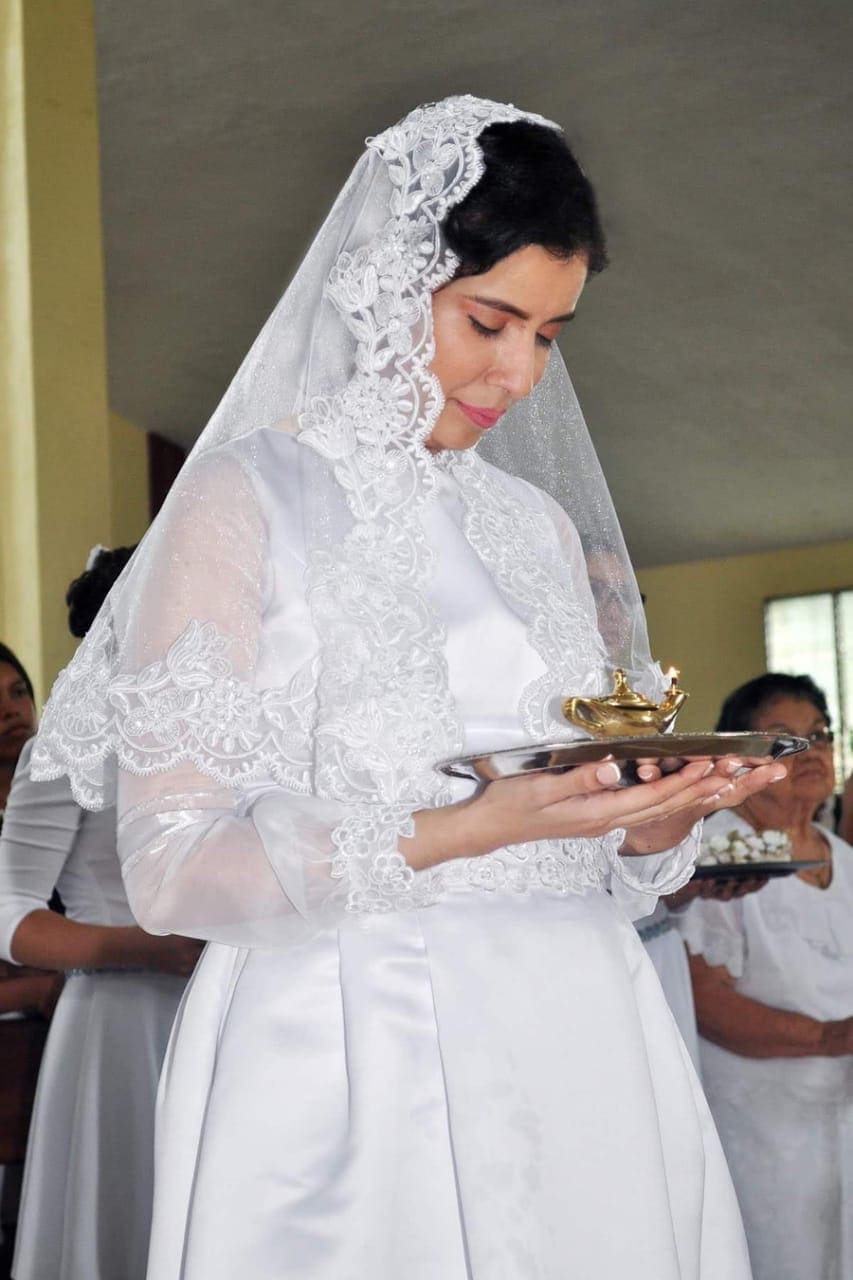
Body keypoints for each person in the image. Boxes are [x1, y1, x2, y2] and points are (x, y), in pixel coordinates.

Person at [30, 97, 787, 1279]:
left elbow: (581, 823)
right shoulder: (244, 498)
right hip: (353, 1035)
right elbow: (171, 869)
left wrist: (659, 813)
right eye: (489, 320)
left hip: (580, 1020)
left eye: (549, 334)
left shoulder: (530, 523)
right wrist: (466, 826)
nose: (518, 372)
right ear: (387, 281)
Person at [0, 548, 202, 1280]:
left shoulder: (227, 737)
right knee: (131, 1211)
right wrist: (146, 948)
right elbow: (12, 913)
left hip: (221, 1006)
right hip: (122, 1015)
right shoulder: (69, 745)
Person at [676, 673, 853, 1280]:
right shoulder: (717, 855)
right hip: (759, 1129)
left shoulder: (841, 854)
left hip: (840, 1117)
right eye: (785, 738)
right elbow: (707, 1004)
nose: (813, 751)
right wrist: (832, 1038)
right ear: (740, 757)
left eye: (820, 735)